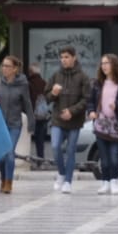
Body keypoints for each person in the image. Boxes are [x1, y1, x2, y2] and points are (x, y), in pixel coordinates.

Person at [47, 46, 93, 195]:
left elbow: (86, 99)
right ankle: (61, 173)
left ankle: (68, 181)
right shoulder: (55, 75)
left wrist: (71, 111)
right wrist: (53, 93)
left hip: (74, 120)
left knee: (71, 150)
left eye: (67, 57)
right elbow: (47, 97)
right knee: (55, 146)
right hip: (57, 118)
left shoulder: (83, 77)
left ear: (74, 57)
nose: (64, 60)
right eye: (62, 57)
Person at [87, 53, 118, 196]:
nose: (104, 66)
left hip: (116, 125)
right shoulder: (97, 83)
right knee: (104, 157)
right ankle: (105, 182)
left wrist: (117, 105)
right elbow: (90, 101)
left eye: (107, 63)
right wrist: (91, 111)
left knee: (115, 156)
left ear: (114, 64)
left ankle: (114, 181)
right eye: (102, 63)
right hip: (101, 124)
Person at [0, 56, 31, 194]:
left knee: (9, 153)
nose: (4, 69)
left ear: (15, 69)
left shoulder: (22, 84)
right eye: (3, 66)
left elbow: (27, 103)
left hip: (15, 124)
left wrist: (31, 122)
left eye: (7, 66)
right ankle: (3, 180)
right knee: (1, 156)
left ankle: (9, 182)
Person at [27, 63, 50, 167]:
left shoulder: (29, 84)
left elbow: (27, 100)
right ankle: (40, 160)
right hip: (43, 116)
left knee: (27, 137)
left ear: (31, 72)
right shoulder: (44, 83)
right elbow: (48, 99)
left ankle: (27, 159)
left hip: (32, 115)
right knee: (40, 140)